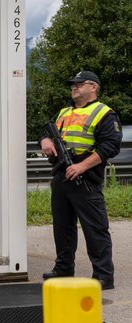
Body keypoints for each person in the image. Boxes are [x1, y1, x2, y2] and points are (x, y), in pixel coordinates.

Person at [39, 70, 121, 290]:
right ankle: (64, 268)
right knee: (62, 228)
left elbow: (109, 146)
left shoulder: (104, 113)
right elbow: (48, 132)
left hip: (85, 179)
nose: (74, 87)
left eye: (79, 84)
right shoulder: (64, 112)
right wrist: (45, 140)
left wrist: (82, 166)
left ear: (93, 87)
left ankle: (104, 275)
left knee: (95, 228)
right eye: (72, 84)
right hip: (61, 176)